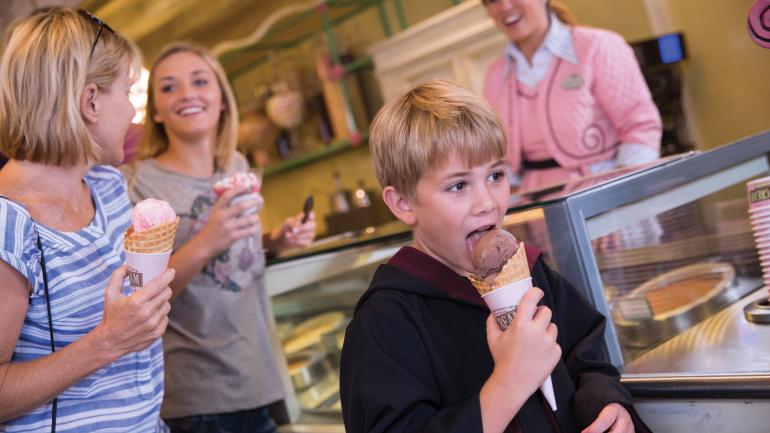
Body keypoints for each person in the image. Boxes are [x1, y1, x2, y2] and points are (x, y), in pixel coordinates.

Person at [339, 80, 650, 433]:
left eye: (496, 175)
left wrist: (606, 401)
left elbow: (586, 355)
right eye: (458, 185)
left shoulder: (531, 272)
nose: (488, 202)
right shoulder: (386, 322)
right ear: (403, 204)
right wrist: (508, 385)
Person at [122, 42, 317, 433]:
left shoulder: (236, 165)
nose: (188, 94)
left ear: (222, 99)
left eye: (199, 81)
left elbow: (234, 256)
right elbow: (137, 293)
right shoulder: (137, 182)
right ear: (156, 111)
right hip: (197, 399)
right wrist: (207, 239)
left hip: (259, 381)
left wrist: (274, 240)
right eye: (169, 87)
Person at [0, 8, 174, 432]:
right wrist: (108, 341)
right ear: (90, 101)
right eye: (129, 92)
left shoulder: (109, 186)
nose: (135, 114)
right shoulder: (8, 222)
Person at [482, 0, 662, 192]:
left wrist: (621, 192)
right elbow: (500, 160)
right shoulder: (494, 75)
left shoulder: (599, 47)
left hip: (612, 204)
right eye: (491, 0)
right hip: (537, 214)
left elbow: (642, 129)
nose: (504, 6)